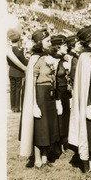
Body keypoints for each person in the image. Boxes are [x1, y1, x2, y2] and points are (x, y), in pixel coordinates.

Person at [20, 28, 60, 168]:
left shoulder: (46, 56)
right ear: (39, 42)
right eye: (47, 41)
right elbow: (32, 82)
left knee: (47, 126)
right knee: (40, 127)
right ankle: (37, 159)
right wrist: (34, 104)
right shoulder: (35, 58)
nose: (50, 43)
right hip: (40, 94)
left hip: (48, 94)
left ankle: (44, 158)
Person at [68, 25, 91, 173]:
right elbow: (83, 84)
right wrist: (87, 104)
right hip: (88, 97)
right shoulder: (84, 58)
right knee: (87, 129)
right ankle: (86, 163)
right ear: (89, 39)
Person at [7, 31, 28, 112]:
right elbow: (25, 62)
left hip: (11, 72)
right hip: (18, 73)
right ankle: (17, 107)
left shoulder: (9, 50)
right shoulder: (19, 51)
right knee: (18, 90)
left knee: (12, 90)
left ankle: (12, 107)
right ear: (19, 41)